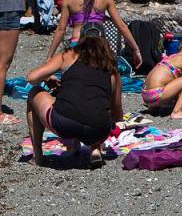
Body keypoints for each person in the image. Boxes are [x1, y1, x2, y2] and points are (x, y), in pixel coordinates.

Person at [26, 26, 123, 168]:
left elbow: (31, 78)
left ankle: (38, 157)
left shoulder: (68, 55)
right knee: (97, 105)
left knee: (34, 92)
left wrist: (48, 77)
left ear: (81, 40)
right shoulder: (112, 71)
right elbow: (116, 111)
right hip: (98, 130)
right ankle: (95, 148)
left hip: (64, 122)